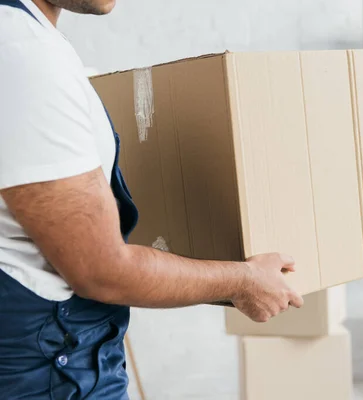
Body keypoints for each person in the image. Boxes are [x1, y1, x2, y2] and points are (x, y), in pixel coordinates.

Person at [0, 1, 304, 398]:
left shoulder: (31, 44)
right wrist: (243, 282)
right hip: (51, 372)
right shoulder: (23, 53)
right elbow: (100, 270)